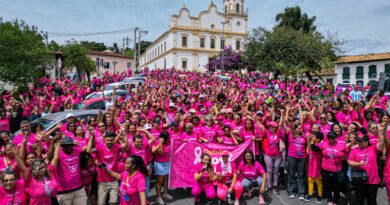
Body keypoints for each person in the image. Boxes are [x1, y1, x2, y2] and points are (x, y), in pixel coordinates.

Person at [87, 129, 129, 205]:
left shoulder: (116, 147)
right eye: (107, 140)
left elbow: (126, 145)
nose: (109, 142)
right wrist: (92, 136)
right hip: (102, 180)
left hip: (113, 179)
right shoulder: (99, 147)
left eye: (111, 140)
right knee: (101, 203)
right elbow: (88, 151)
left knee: (113, 202)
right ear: (104, 140)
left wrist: (124, 133)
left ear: (114, 140)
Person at [348, 128, 385, 205]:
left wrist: (380, 132)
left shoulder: (373, 148)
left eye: (361, 141)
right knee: (359, 200)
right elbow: (349, 162)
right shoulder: (354, 150)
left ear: (366, 141)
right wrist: (358, 164)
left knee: (372, 200)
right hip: (360, 180)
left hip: (372, 181)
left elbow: (381, 143)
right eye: (358, 140)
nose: (359, 142)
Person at [50, 135, 88, 205]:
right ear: (63, 146)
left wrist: (91, 135)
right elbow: (53, 159)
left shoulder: (76, 150)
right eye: (67, 146)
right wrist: (57, 144)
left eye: (71, 145)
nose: (70, 147)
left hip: (79, 189)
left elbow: (88, 149)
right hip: (64, 191)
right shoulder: (58, 154)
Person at [311, 131, 346, 205]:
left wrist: (344, 157)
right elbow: (315, 148)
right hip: (325, 169)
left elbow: (348, 152)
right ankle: (329, 199)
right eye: (329, 138)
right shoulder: (324, 144)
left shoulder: (342, 145)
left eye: (332, 138)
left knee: (336, 186)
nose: (330, 140)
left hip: (336, 170)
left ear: (336, 138)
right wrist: (311, 142)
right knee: (327, 185)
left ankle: (336, 200)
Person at [152, 131, 173, 205]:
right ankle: (158, 197)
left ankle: (165, 193)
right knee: (159, 181)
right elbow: (157, 152)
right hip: (160, 164)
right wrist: (160, 143)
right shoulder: (156, 143)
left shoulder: (168, 143)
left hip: (167, 163)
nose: (169, 139)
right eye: (167, 138)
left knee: (166, 180)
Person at [306, 132, 324, 203]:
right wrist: (308, 141)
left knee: (319, 181)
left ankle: (320, 195)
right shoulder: (311, 144)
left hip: (317, 167)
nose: (312, 138)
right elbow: (308, 152)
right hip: (311, 166)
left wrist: (311, 142)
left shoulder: (320, 145)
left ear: (318, 139)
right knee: (310, 180)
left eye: (313, 137)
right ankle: (310, 194)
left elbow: (314, 148)